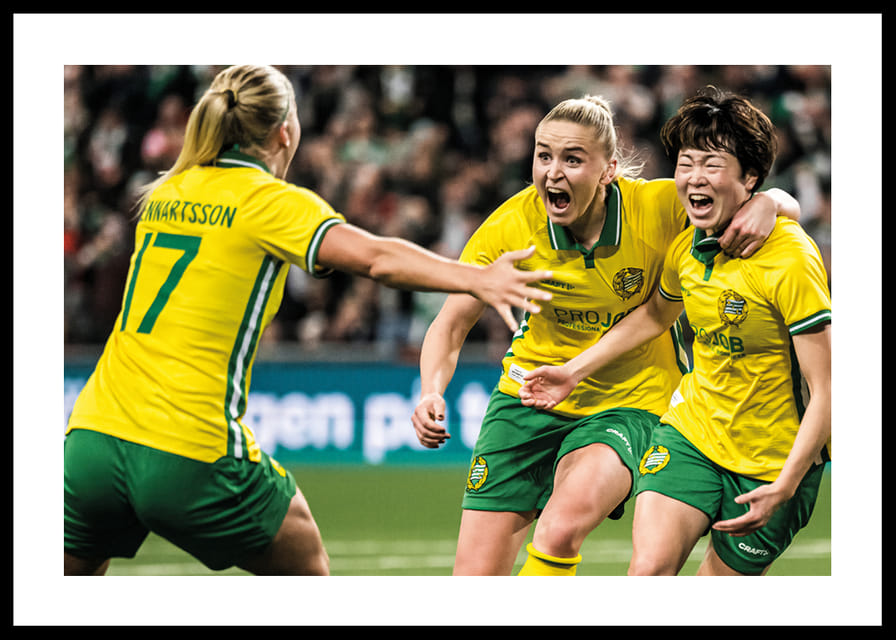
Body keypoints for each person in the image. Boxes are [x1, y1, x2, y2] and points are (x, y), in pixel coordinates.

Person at [63, 64, 554, 577]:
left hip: (92, 437)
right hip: (187, 448)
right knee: (307, 568)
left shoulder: (168, 192)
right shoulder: (267, 201)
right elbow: (375, 258)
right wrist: (472, 278)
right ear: (285, 131)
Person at [411, 92, 801, 576]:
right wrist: (431, 390)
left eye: (573, 159)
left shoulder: (658, 206)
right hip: (528, 395)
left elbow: (745, 197)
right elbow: (451, 322)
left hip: (629, 399)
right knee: (474, 578)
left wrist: (772, 202)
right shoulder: (512, 226)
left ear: (609, 169)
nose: (553, 172)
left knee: (560, 527)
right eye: (543, 155)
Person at [518, 86, 831, 576]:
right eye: (686, 164)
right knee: (647, 573)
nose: (693, 178)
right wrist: (572, 372)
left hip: (774, 463)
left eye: (711, 164)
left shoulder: (790, 259)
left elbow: (829, 387)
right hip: (692, 435)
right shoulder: (687, 248)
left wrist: (788, 483)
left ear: (749, 177)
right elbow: (654, 315)